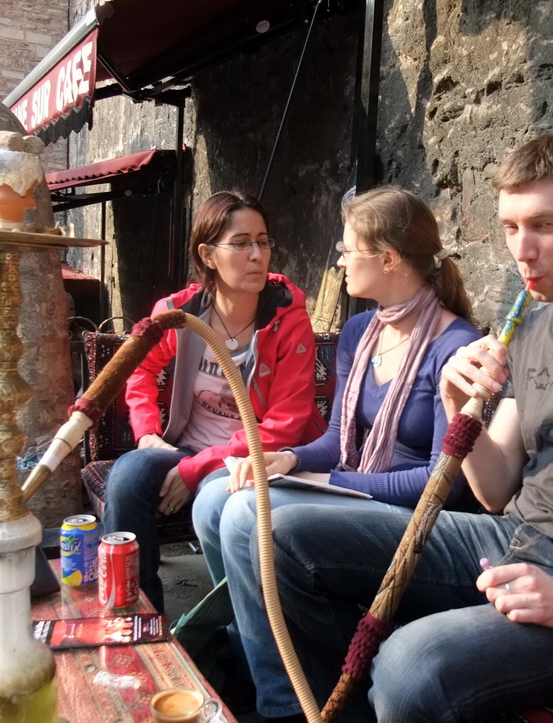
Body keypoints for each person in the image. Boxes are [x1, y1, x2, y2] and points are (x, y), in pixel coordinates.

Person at [223, 133, 553, 723]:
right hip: (514, 541)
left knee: (409, 664)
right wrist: (458, 405)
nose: (521, 251)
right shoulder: (532, 326)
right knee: (257, 522)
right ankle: (323, 714)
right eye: (509, 227)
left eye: (544, 225)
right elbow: (496, 488)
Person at [192, 186, 481, 586]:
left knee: (244, 512)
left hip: (414, 513)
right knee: (212, 499)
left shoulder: (456, 346)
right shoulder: (359, 332)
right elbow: (336, 439)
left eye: (347, 251)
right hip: (356, 487)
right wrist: (289, 460)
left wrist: (330, 482)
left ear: (388, 259)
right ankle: (253, 629)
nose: (340, 262)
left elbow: (442, 482)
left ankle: (279, 640)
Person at [103, 189, 324, 614]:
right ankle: (141, 611)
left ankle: (239, 624)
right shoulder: (179, 313)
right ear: (207, 255)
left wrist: (195, 468)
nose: (257, 255)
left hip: (251, 458)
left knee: (219, 500)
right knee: (128, 476)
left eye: (263, 241)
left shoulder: (288, 319)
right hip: (184, 445)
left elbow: (286, 424)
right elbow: (138, 367)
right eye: (241, 244)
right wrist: (147, 432)